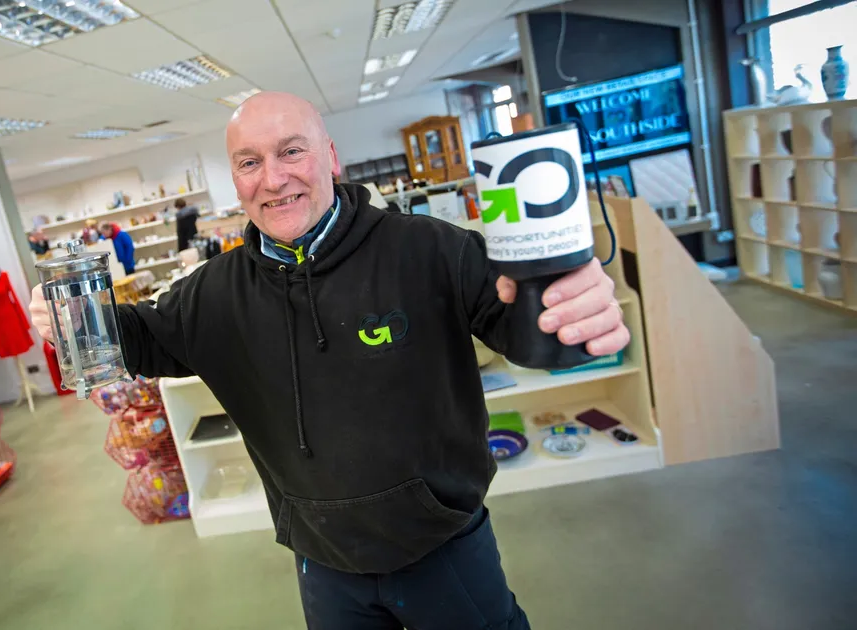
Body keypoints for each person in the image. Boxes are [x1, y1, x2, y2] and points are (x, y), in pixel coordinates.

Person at [31, 92, 627, 629]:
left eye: (292, 151)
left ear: (332, 156)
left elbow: (524, 330)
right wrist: (71, 320)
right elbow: (135, 339)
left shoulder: (427, 249)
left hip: (442, 547)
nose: (273, 178)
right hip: (323, 567)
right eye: (249, 162)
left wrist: (571, 309)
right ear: (235, 180)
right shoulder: (212, 294)